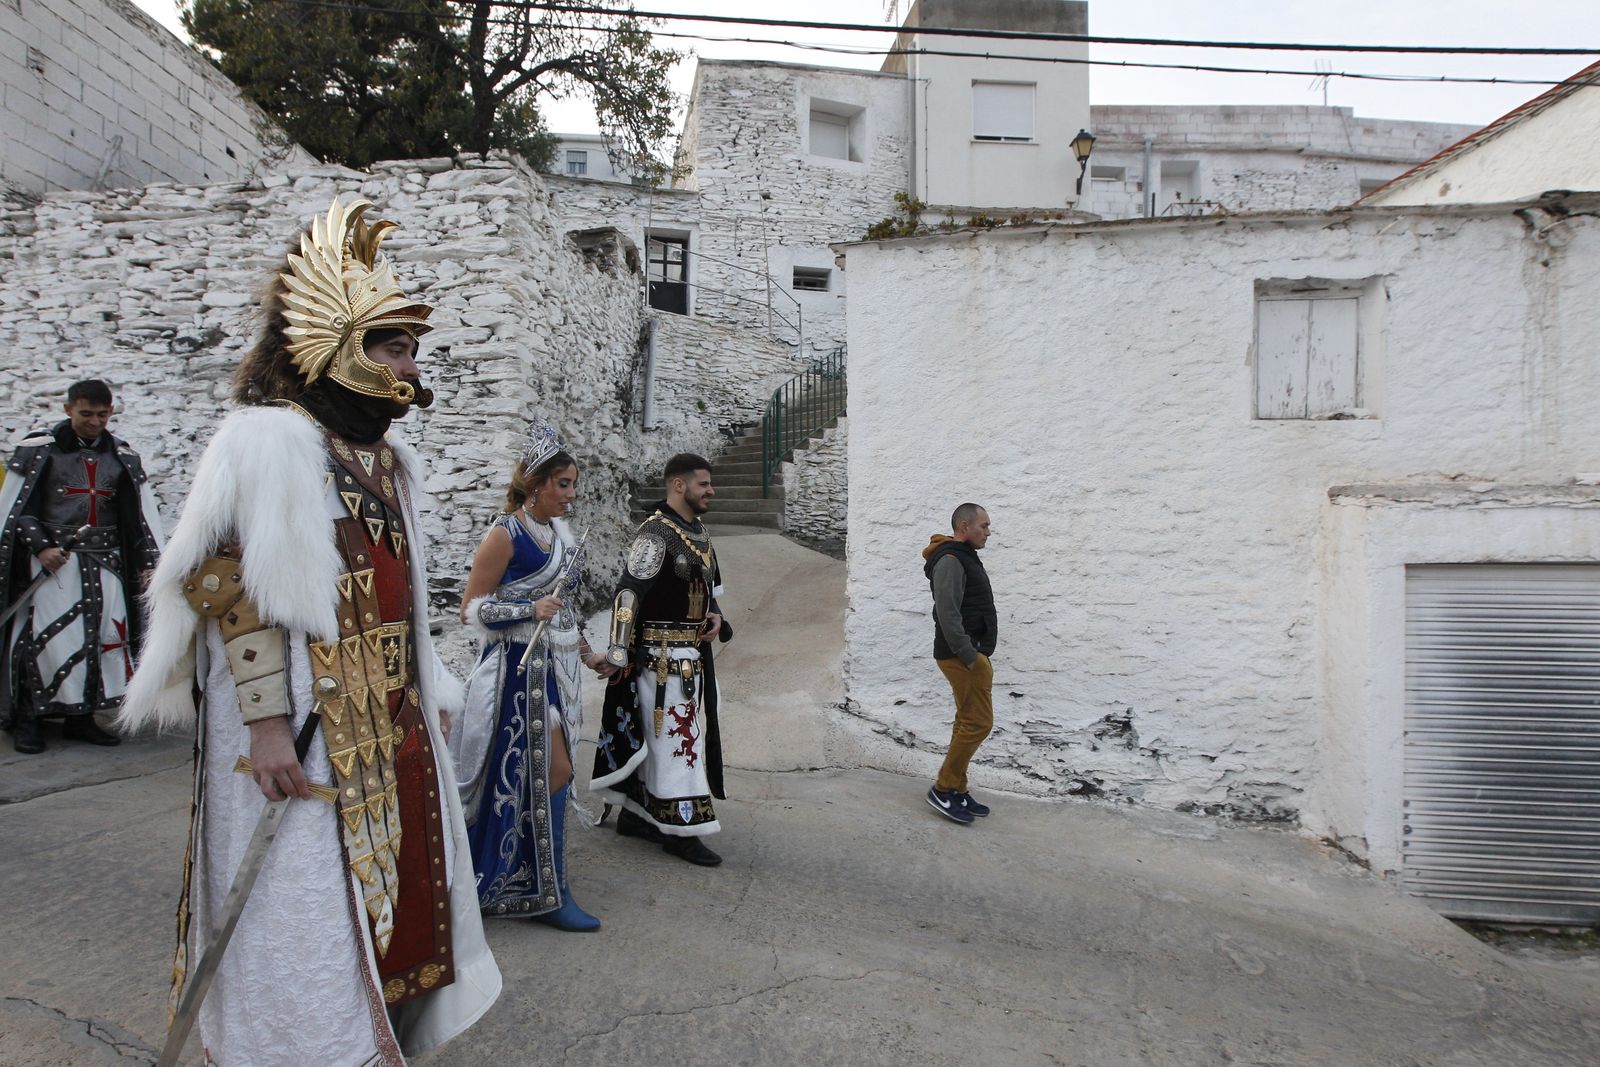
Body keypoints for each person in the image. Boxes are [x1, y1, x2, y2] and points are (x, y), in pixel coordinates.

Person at [118, 197, 500, 1064]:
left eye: (411, 346)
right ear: (333, 345)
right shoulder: (269, 441)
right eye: (391, 344)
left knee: (395, 906)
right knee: (306, 911)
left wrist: (430, 689)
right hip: (297, 732)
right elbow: (227, 585)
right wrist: (261, 725)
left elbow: (400, 597)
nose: (409, 363)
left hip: (386, 723)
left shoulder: (389, 461)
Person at [451, 419, 606, 931]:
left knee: (547, 776)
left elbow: (561, 610)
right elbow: (470, 609)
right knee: (537, 774)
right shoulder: (505, 534)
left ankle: (535, 882)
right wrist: (524, 610)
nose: (571, 495)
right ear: (535, 484)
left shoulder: (558, 533)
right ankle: (544, 890)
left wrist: (588, 654)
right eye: (563, 484)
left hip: (553, 670)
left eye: (573, 485)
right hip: (514, 675)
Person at [0, 379, 162, 754]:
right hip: (53, 564)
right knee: (44, 640)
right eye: (86, 413)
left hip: (106, 563)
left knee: (101, 640)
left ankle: (81, 717)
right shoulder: (39, 451)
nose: (94, 422)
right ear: (68, 408)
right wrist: (41, 548)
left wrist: (150, 562)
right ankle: (29, 718)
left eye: (102, 414)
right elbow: (18, 513)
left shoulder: (121, 456)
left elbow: (136, 517)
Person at [591, 453, 731, 867]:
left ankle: (638, 815)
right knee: (676, 743)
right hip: (662, 659)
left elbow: (710, 593)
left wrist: (716, 617)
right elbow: (628, 593)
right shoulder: (656, 534)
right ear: (678, 485)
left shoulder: (699, 532)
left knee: (666, 742)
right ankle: (682, 830)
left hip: (691, 654)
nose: (710, 490)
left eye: (710, 483)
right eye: (703, 483)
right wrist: (618, 651)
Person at [921, 502, 997, 825]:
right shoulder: (951, 560)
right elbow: (947, 615)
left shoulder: (962, 556)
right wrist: (970, 657)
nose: (988, 532)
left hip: (967, 654)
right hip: (960, 657)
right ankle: (944, 788)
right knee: (979, 723)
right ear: (964, 527)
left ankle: (957, 789)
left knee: (967, 721)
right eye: (984, 526)